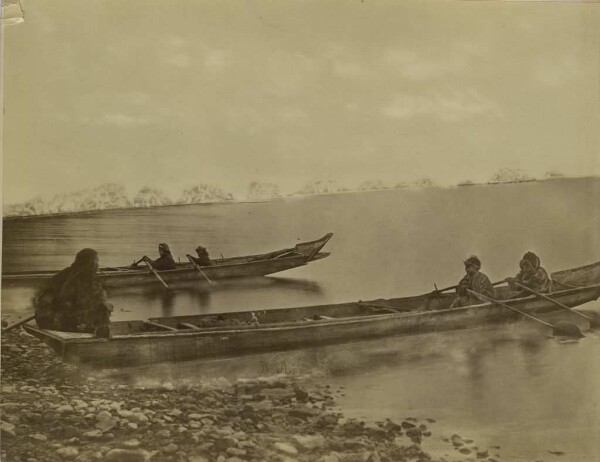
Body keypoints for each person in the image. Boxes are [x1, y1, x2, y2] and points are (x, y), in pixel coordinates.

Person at [33, 248, 113, 338]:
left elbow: (96, 299)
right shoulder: (70, 277)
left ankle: (92, 332)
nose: (98, 264)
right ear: (89, 263)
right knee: (103, 309)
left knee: (103, 308)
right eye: (96, 261)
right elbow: (45, 299)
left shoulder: (87, 277)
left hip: (66, 318)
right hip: (59, 320)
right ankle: (97, 337)